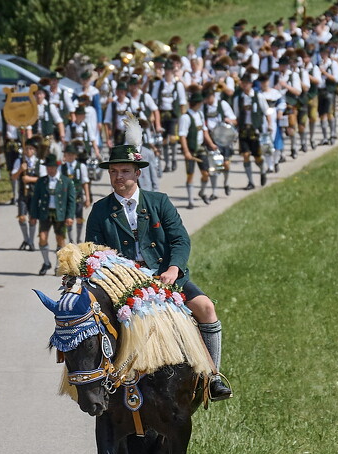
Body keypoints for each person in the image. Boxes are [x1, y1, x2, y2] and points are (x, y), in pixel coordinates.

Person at [84, 145, 232, 399]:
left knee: (206, 307)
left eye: (125, 171)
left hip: (166, 277)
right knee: (88, 319)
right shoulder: (100, 209)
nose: (119, 177)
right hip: (123, 284)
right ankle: (93, 378)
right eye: (114, 171)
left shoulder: (158, 201)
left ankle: (212, 377)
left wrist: (174, 268)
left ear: (138, 174)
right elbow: (93, 253)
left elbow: (180, 240)